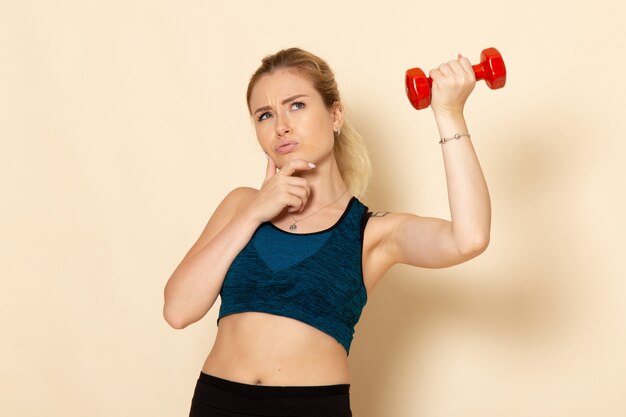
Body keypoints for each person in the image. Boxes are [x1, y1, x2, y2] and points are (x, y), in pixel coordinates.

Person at [163, 47, 490, 417]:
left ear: (335, 115)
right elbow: (178, 310)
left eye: (297, 105)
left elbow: (469, 239)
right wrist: (255, 212)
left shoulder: (372, 231)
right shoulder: (241, 206)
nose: (281, 125)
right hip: (218, 403)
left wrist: (448, 114)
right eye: (265, 115)